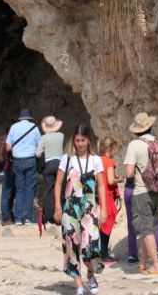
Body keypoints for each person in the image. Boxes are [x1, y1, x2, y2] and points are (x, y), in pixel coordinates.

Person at [53, 124, 106, 295]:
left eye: (83, 140)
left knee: (91, 245)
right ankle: (79, 285)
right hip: (70, 208)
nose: (80, 143)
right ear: (73, 141)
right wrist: (58, 207)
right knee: (71, 245)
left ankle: (90, 275)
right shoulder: (67, 159)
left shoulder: (96, 160)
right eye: (77, 140)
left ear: (89, 140)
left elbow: (101, 186)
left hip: (90, 208)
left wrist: (104, 209)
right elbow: (58, 184)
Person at [124, 112, 158, 276]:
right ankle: (143, 263)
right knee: (148, 229)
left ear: (136, 130)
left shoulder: (134, 145)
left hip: (142, 192)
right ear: (150, 126)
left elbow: (129, 173)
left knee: (145, 230)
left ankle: (156, 265)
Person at [5, 109, 41, 226]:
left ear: (20, 117)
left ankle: (18, 219)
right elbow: (39, 146)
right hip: (30, 160)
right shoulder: (34, 128)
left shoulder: (13, 127)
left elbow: (8, 148)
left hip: (17, 161)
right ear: (30, 118)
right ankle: (29, 218)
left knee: (19, 189)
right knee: (29, 189)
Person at [97, 137, 122, 262]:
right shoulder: (108, 161)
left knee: (102, 225)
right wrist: (119, 179)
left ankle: (101, 251)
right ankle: (104, 254)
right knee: (107, 224)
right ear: (110, 148)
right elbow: (111, 180)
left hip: (99, 195)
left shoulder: (98, 160)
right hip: (107, 195)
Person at [36, 115, 64, 225]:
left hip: (48, 165)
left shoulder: (44, 138)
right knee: (60, 188)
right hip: (60, 165)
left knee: (48, 190)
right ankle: (61, 213)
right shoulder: (61, 135)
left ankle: (49, 216)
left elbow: (38, 153)